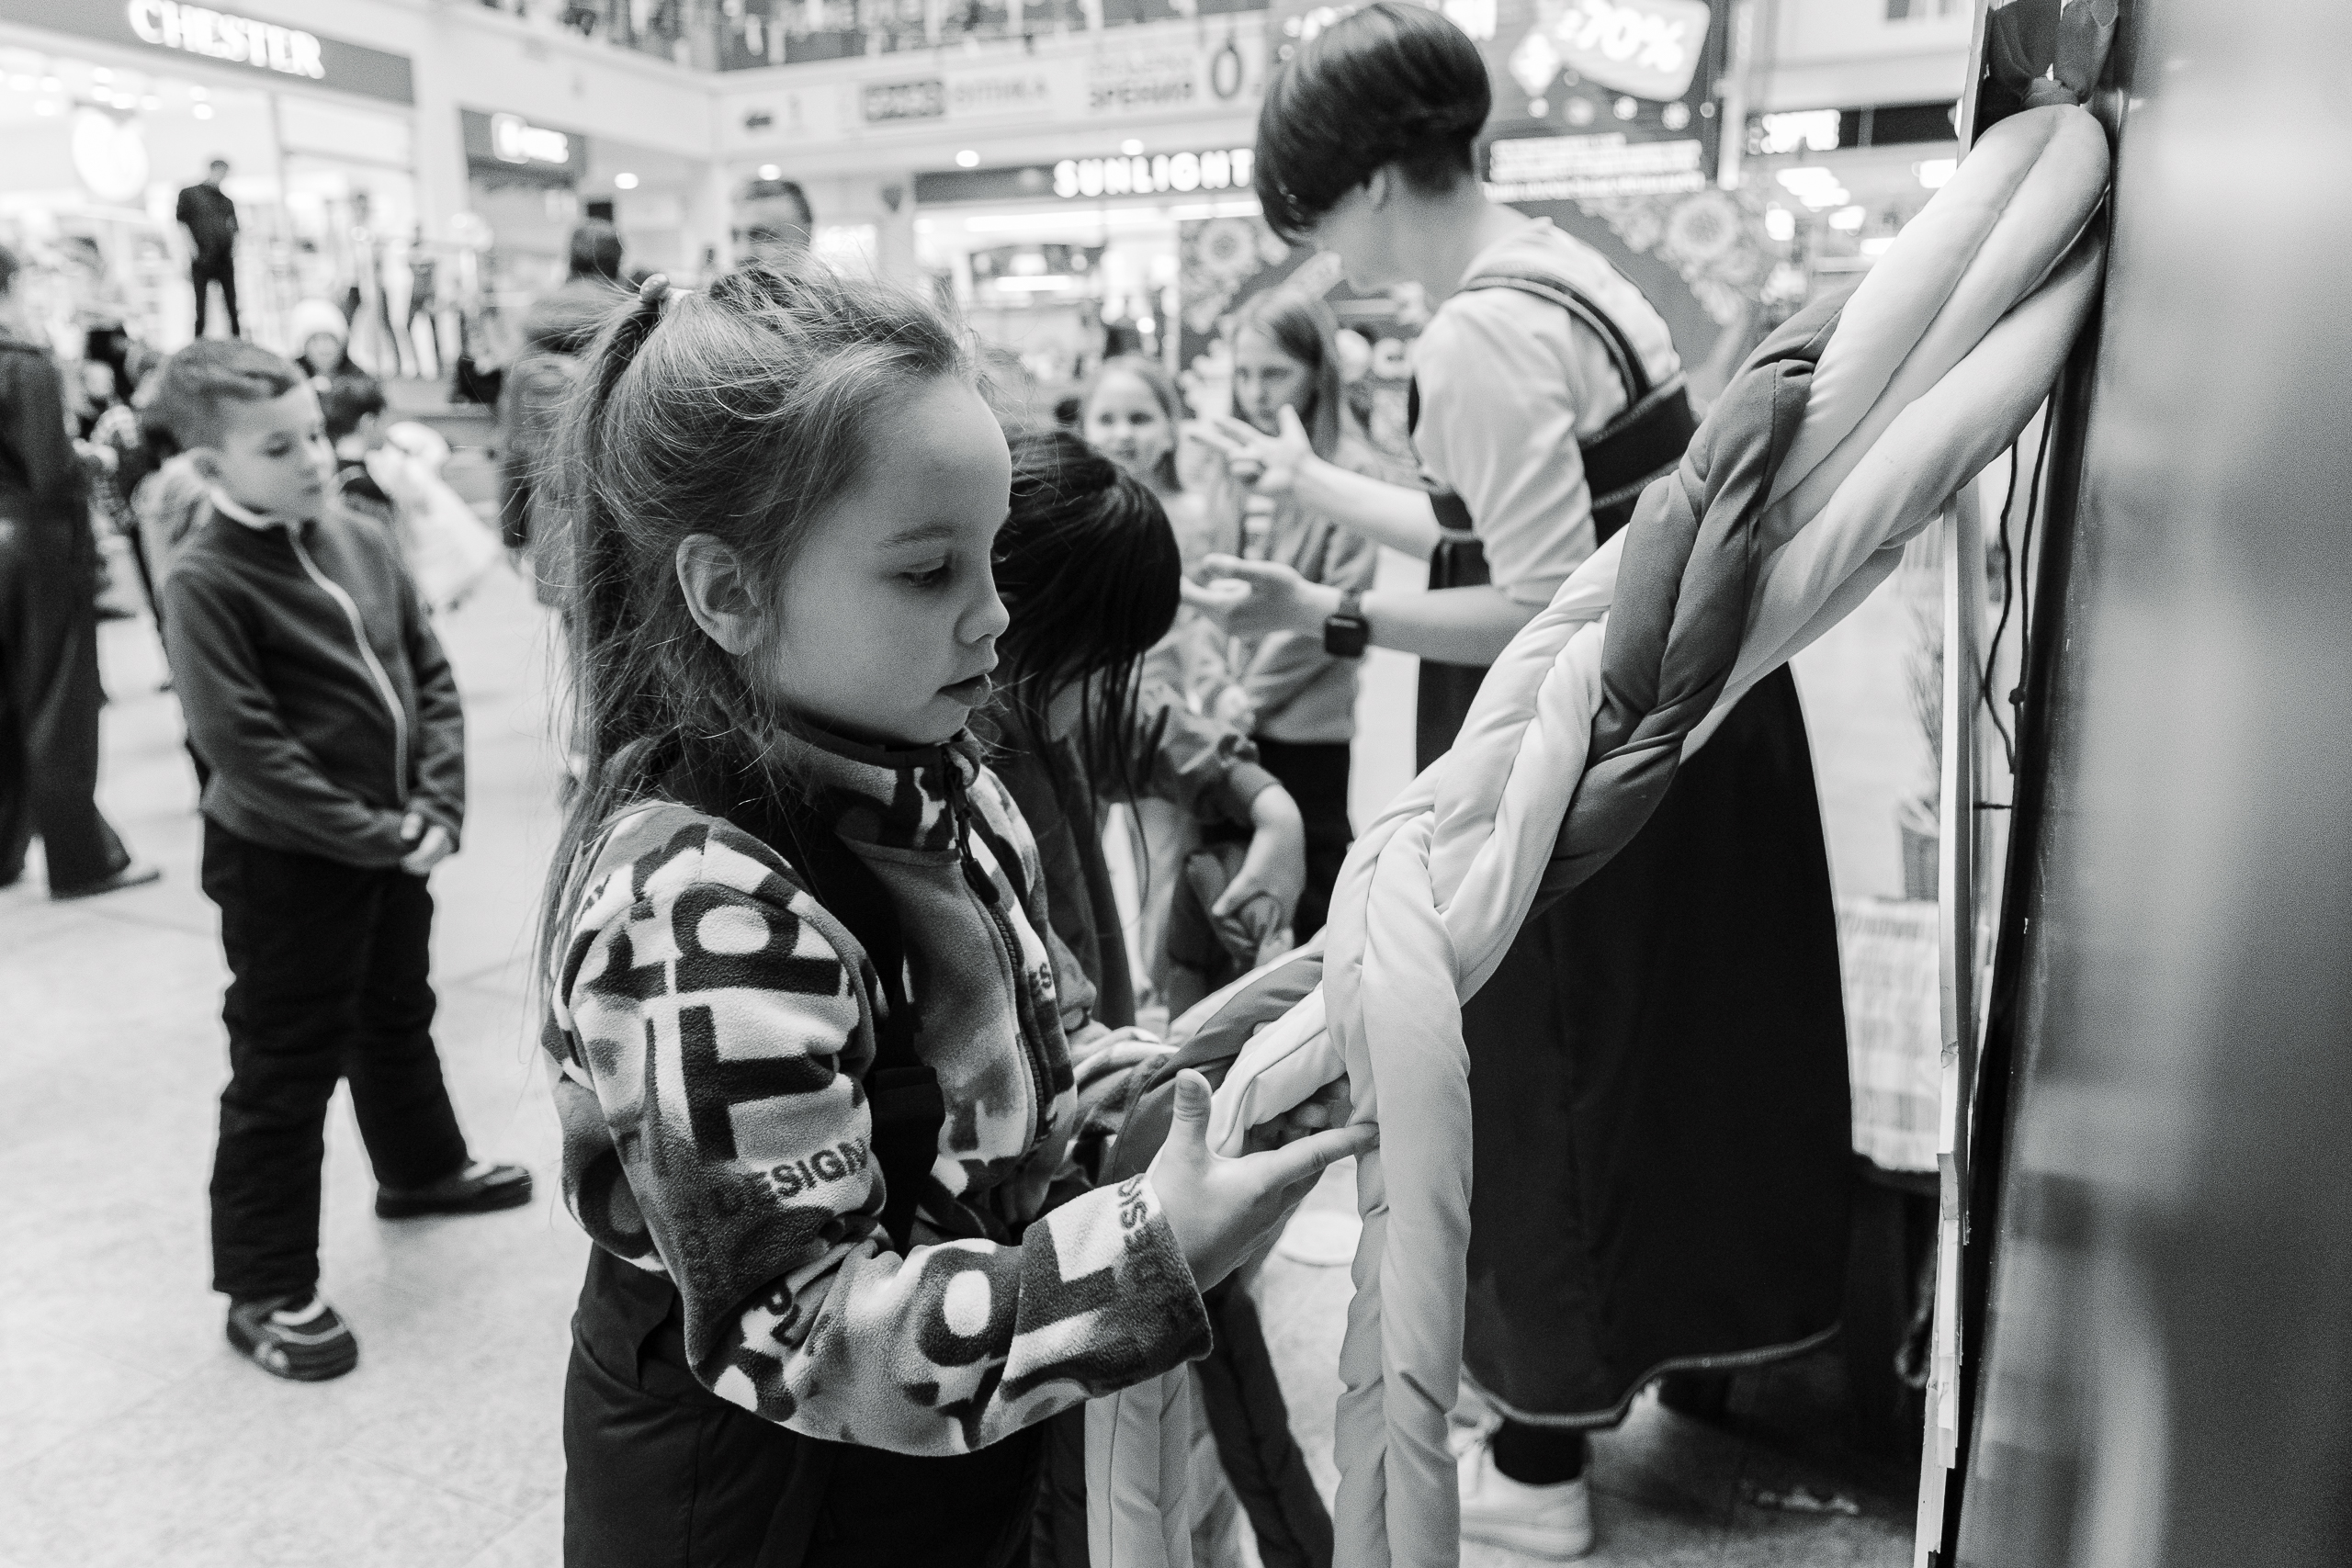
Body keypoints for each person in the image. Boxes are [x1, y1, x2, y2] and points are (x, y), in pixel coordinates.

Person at [539, 261, 1372, 1566]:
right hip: (764, 1508)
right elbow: (807, 1331)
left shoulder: (945, 781)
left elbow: (1013, 1069)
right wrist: (1144, 1253)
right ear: (730, 593)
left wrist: (1180, 1088)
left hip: (935, 1468)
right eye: (929, 571)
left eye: (990, 555)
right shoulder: (694, 913)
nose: (994, 614)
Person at [1201, 6, 1851, 1559]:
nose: (1320, 250)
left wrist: (1328, 612)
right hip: (1684, 713)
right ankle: (1682, 1365)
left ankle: (1543, 1455)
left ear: (1369, 182)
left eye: (1313, 212)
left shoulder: (1471, 336)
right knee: (1670, 1059)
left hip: (1576, 738)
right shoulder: (1562, 270)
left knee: (1546, 1067)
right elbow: (1512, 521)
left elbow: (1533, 601)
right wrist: (1316, 486)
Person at [153, 340, 532, 1383]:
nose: (314, 458)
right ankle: (264, 1283)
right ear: (211, 465)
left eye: (315, 433)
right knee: (285, 1061)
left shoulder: (362, 533)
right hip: (284, 860)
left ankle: (421, 1167)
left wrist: (436, 805)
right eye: (279, 447)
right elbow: (243, 748)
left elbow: (428, 672)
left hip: (393, 838)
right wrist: (376, 833)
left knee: (394, 1009)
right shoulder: (205, 578)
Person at [984, 426, 1330, 1566]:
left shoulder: (1041, 698)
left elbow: (1150, 732)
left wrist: (1269, 808)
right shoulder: (960, 753)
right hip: (1054, 1171)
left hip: (1096, 1116)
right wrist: (1103, 1055)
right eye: (1096, 663)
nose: (1104, 694)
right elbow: (1027, 987)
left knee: (1188, 1398)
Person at [1193, 292, 1384, 941]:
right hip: (1227, 711)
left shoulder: (1348, 473)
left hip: (1307, 723)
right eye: (1244, 374)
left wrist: (1249, 698)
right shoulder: (1225, 465)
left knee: (1316, 881)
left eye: (1275, 373)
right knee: (1231, 877)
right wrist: (1216, 689)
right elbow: (1204, 588)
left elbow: (1336, 612)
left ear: (1316, 373)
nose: (1256, 391)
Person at [0, 243, 159, 898]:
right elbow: (48, 471)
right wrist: (89, 461)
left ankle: (4, 849)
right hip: (35, 547)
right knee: (59, 699)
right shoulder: (23, 362)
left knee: (6, 700)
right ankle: (82, 858)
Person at [497, 220, 628, 595]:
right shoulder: (634, 326)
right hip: (624, 523)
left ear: (569, 260)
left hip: (554, 518)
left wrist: (511, 532)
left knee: (572, 624)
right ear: (618, 261)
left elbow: (513, 449)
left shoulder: (533, 337)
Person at [176, 158, 240, 339]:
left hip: (223, 258)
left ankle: (236, 339)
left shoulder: (225, 201)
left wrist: (233, 250)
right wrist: (192, 250)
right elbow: (182, 223)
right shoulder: (190, 194)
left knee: (231, 304)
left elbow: (235, 229)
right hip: (203, 257)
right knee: (200, 305)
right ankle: (198, 341)